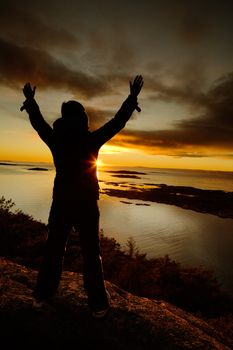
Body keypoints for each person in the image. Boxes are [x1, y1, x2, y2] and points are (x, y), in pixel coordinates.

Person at [21, 75, 143, 318]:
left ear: (64, 119)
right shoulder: (91, 140)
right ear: (83, 118)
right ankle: (98, 304)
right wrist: (131, 99)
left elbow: (39, 124)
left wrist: (31, 103)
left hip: (61, 203)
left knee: (53, 250)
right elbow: (117, 122)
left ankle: (42, 296)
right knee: (91, 254)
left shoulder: (56, 140)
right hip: (87, 204)